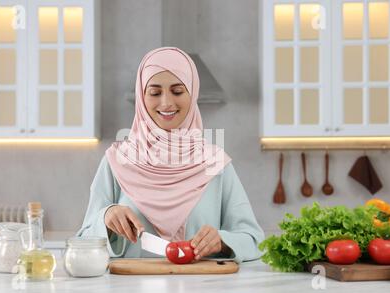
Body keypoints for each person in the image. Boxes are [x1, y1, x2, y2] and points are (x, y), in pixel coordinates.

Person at [76, 47, 264, 263]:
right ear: (141, 97)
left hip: (204, 290)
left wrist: (222, 241)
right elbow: (83, 242)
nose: (166, 103)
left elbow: (254, 240)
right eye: (155, 93)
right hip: (129, 292)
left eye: (177, 91)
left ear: (192, 94)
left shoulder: (215, 164)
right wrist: (105, 218)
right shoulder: (117, 160)